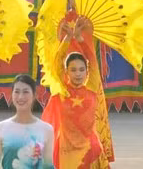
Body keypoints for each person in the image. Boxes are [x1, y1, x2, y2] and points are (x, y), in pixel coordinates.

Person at [42, 15, 111, 168]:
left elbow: (92, 61)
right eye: (73, 70)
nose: (78, 74)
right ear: (66, 72)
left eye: (81, 69)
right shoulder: (63, 91)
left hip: (90, 151)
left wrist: (80, 39)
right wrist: (67, 39)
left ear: (87, 71)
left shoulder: (91, 88)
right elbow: (57, 63)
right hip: (66, 153)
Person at [0, 74, 54, 169]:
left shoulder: (46, 129)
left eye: (25, 92)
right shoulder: (1, 128)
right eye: (16, 92)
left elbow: (48, 166)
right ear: (12, 95)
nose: (20, 97)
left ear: (34, 95)